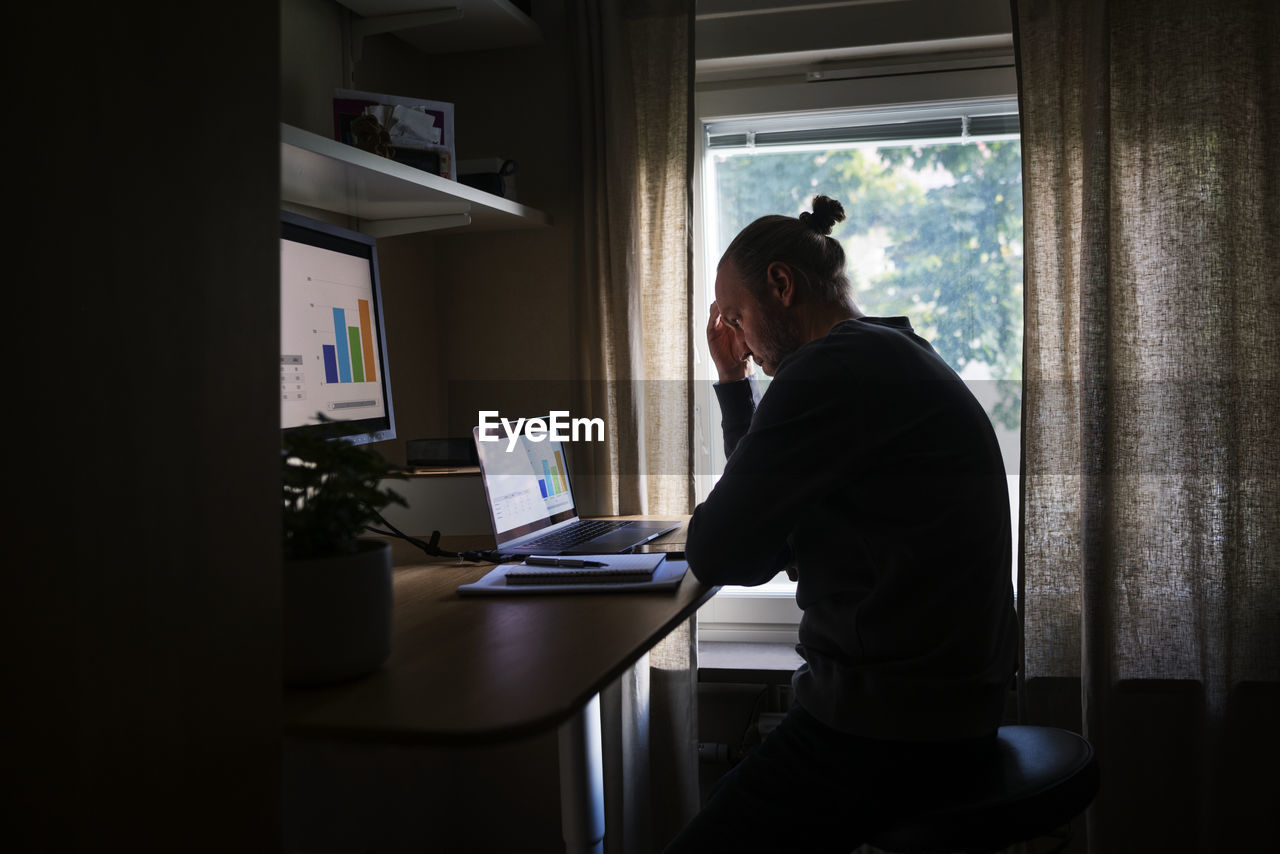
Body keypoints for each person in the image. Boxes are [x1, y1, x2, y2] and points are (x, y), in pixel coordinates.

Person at [665, 195, 1019, 853]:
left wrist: (743, 392)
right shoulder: (890, 348)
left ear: (781, 283)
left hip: (890, 730)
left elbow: (724, 552)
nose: (737, 336)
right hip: (949, 709)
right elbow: (772, 532)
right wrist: (733, 380)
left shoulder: (833, 369)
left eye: (736, 316)